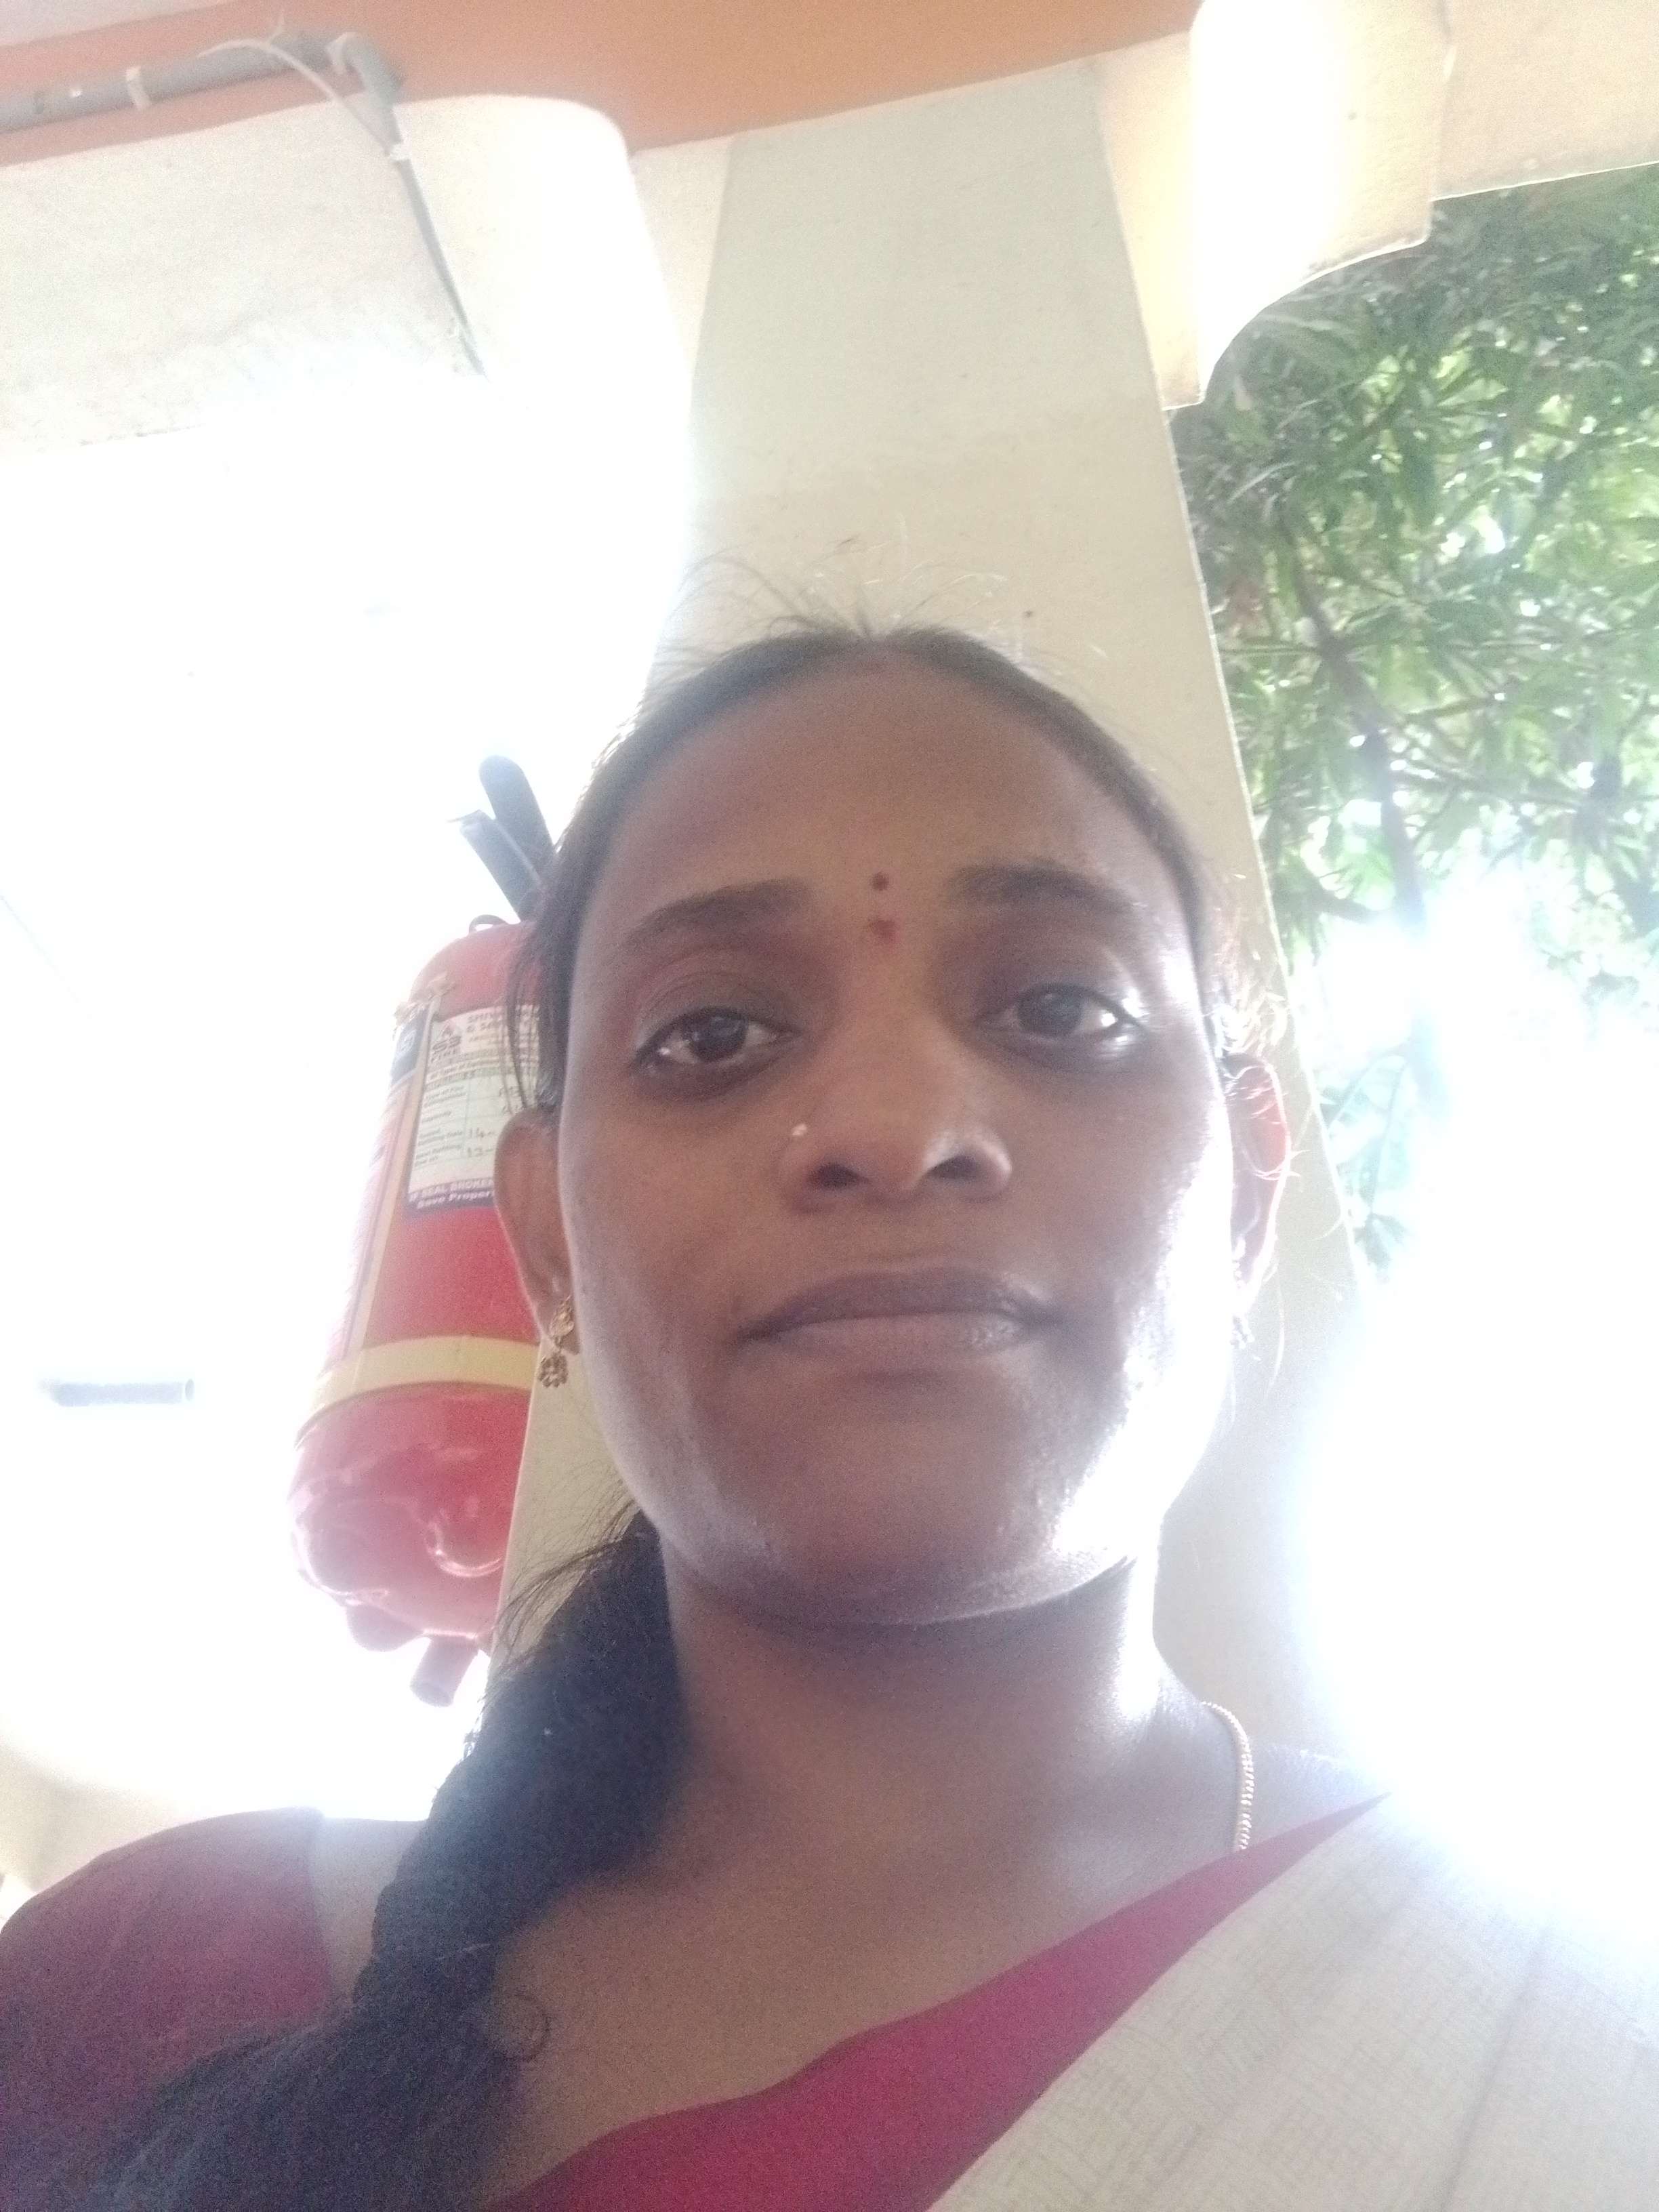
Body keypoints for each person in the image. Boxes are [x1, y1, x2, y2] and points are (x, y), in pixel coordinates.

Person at [2, 621, 1652, 2212]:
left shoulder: (1562, 2051)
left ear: (1244, 1193)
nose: (891, 1122)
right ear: (548, 1241)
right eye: (712, 1032)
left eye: (1061, 1010)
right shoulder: (138, 1992)